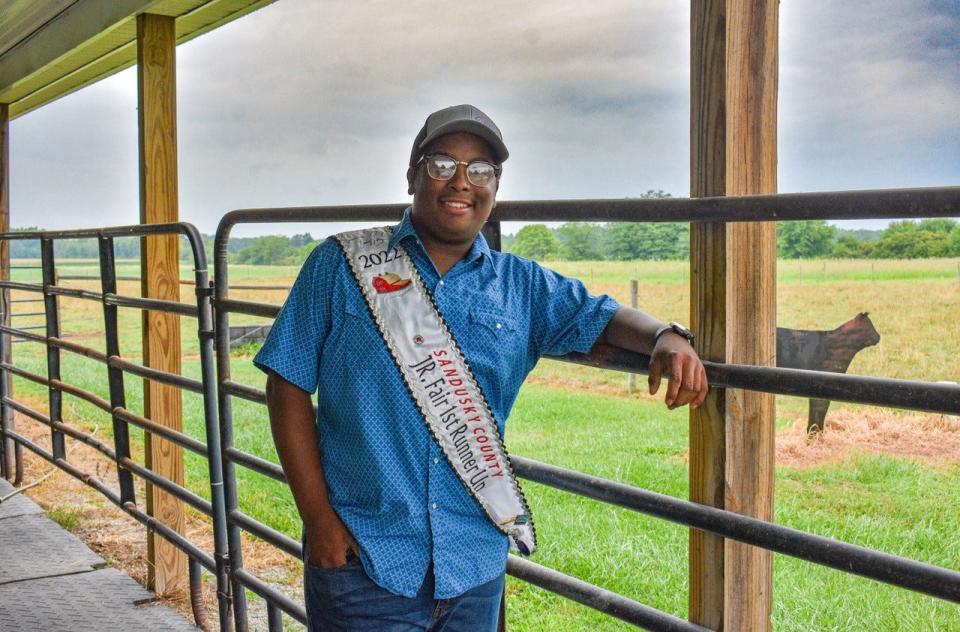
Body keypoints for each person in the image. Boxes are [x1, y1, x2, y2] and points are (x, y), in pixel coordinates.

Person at [254, 104, 708, 631]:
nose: (461, 182)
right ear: (412, 175)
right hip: (364, 561)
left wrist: (665, 336)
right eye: (442, 164)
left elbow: (602, 314)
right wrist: (319, 522)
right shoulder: (339, 265)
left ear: (496, 186)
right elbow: (285, 385)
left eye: (481, 169)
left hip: (473, 565)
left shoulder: (523, 286)